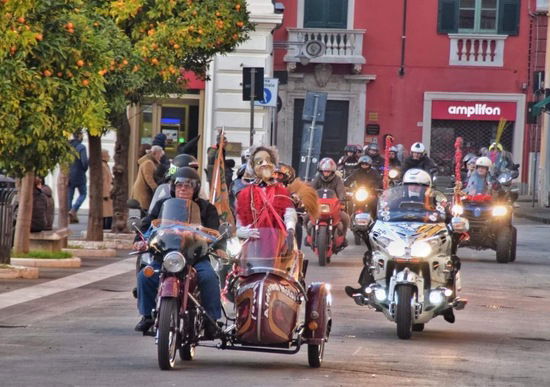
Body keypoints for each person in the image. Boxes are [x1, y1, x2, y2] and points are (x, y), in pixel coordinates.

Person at [134, 167, 222, 337]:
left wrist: (218, 245)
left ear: (195, 188)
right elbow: (147, 225)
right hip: (166, 255)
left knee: (209, 277)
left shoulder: (206, 208)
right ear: (173, 187)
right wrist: (139, 241)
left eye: (188, 185)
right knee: (145, 275)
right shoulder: (162, 204)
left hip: (195, 257)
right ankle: (147, 316)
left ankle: (212, 320)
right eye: (179, 184)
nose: (183, 188)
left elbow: (215, 231)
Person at [235, 146, 297, 254]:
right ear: (252, 167)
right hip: (252, 249)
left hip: (279, 247)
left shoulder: (282, 191)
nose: (265, 164)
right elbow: (238, 226)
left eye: (268, 161)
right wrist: (243, 232)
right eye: (259, 162)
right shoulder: (244, 194)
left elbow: (289, 213)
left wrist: (290, 229)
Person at [274, 163, 319, 250]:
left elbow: (302, 204)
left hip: (285, 219)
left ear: (287, 177)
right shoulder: (263, 188)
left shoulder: (293, 190)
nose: (276, 177)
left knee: (297, 227)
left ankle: (297, 253)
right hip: (268, 219)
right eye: (274, 174)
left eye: (279, 175)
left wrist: (300, 204)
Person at [311, 157, 349, 245]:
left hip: (333, 207)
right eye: (324, 171)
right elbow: (311, 189)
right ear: (321, 171)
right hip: (318, 206)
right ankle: (309, 235)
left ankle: (343, 236)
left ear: (332, 172)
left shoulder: (337, 180)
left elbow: (341, 191)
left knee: (346, 218)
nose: (326, 173)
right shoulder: (317, 178)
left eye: (328, 171)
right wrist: (307, 199)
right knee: (306, 219)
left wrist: (342, 201)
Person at [131, 145, 164, 210]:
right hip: (143, 192)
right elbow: (149, 178)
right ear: (154, 153)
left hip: (143, 191)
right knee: (141, 211)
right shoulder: (148, 163)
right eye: (160, 154)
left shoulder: (149, 161)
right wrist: (156, 189)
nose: (160, 157)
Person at [68, 130, 88, 223]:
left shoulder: (68, 147)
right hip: (79, 174)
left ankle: (69, 214)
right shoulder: (81, 147)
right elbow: (84, 162)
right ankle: (74, 210)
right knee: (83, 194)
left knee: (69, 196)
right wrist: (85, 169)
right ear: (79, 136)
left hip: (69, 174)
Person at [101, 149, 113, 230]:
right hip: (106, 192)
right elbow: (103, 180)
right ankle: (105, 228)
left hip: (109, 191)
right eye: (108, 154)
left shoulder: (105, 165)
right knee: (106, 213)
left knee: (108, 213)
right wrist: (105, 194)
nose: (109, 156)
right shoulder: (102, 166)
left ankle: (107, 227)